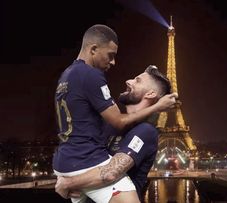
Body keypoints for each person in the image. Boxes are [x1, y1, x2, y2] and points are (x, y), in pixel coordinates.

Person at [53, 24, 177, 203]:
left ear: (151, 94)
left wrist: (67, 183)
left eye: (137, 80)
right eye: (110, 56)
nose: (128, 80)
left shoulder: (146, 132)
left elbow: (110, 172)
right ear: (93, 49)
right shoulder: (107, 122)